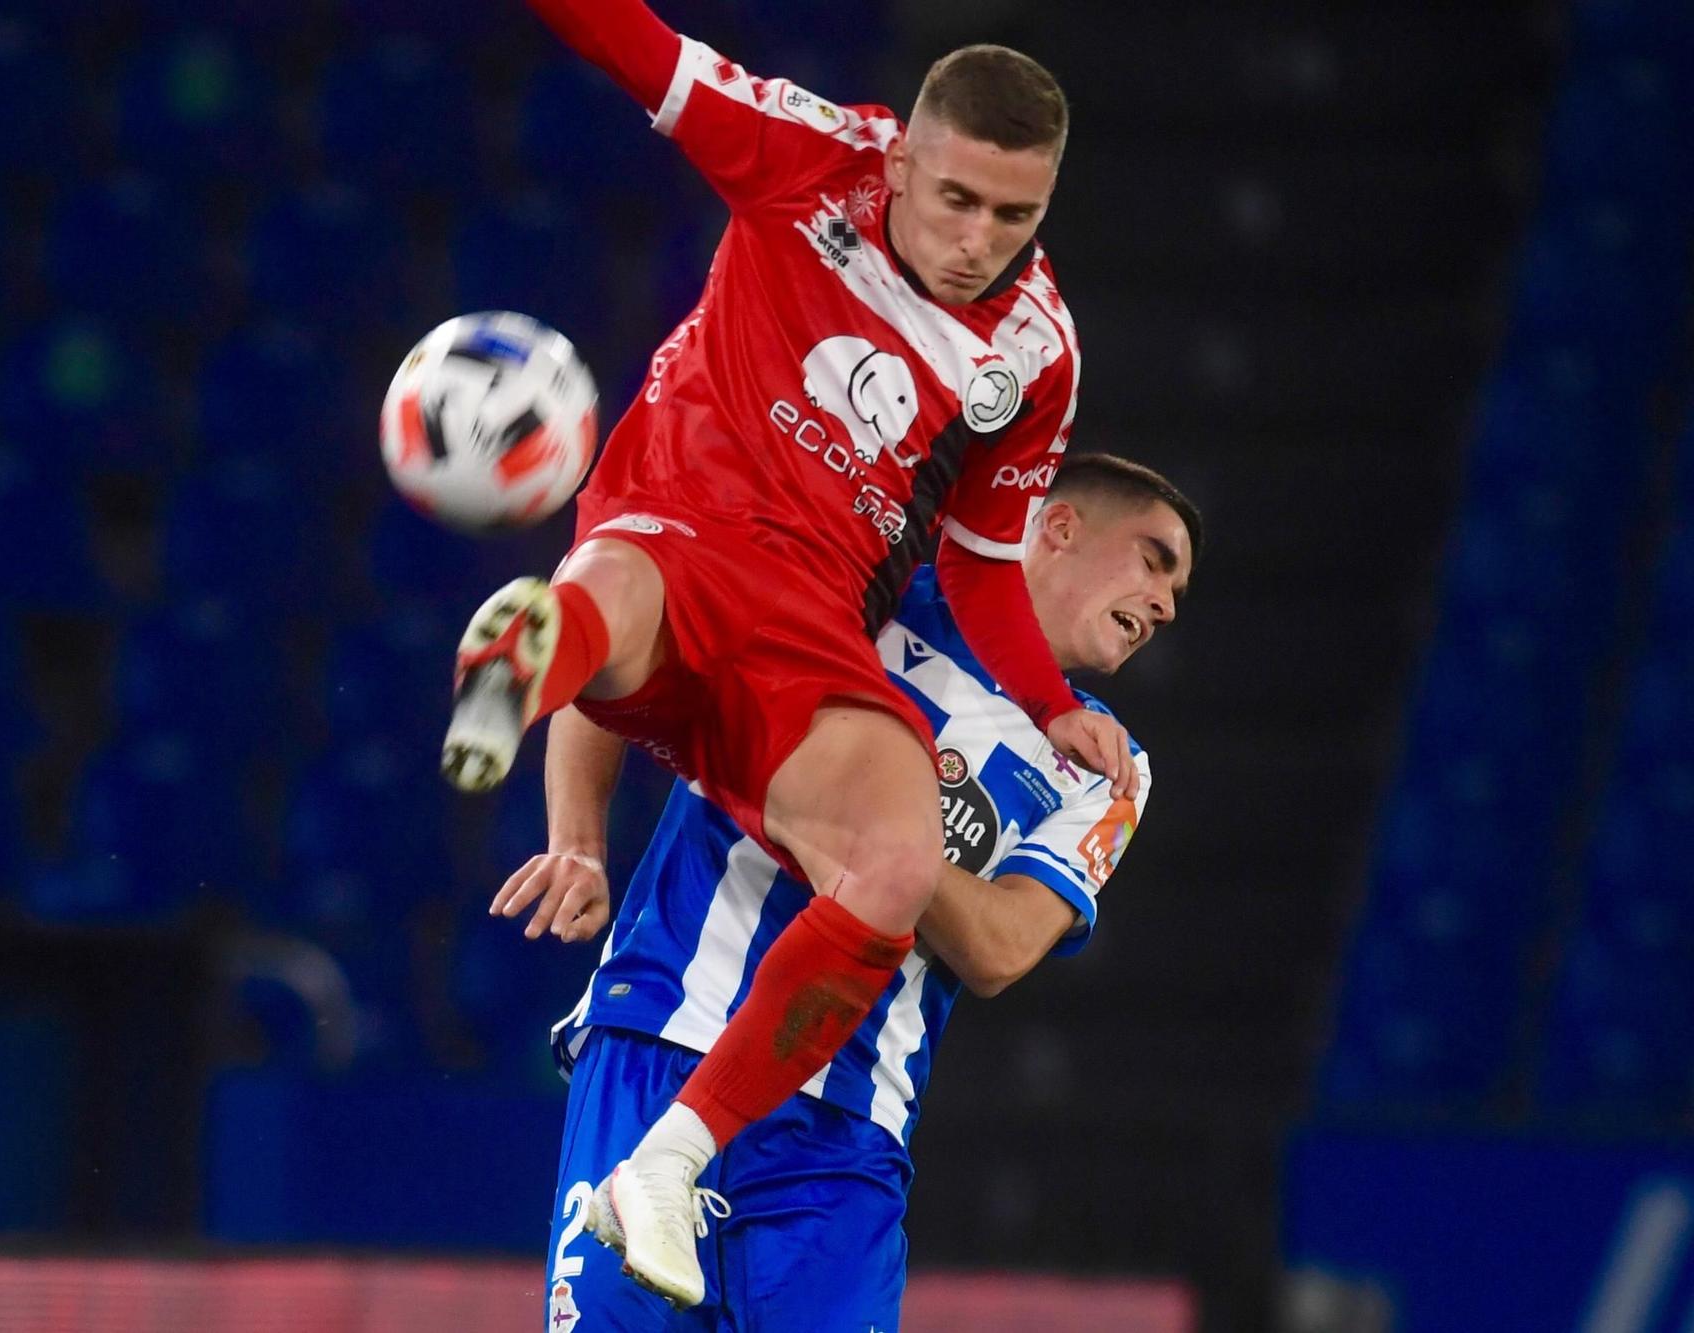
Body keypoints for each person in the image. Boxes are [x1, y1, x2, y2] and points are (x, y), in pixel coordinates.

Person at [442, 0, 1131, 1307]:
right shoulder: (807, 154)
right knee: (623, 586)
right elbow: (628, 40)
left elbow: (985, 563)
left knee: (896, 854)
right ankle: (528, 655)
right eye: (958, 199)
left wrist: (1046, 702)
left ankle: (672, 1162)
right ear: (905, 160)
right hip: (687, 519)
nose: (979, 239)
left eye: (1015, 216)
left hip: (811, 622)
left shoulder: (1035, 353)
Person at [499, 455, 1200, 1327]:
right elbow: (619, 642)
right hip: (666, 1030)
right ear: (1060, 527)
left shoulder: (1107, 767)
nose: (1168, 603)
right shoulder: (862, 589)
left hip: (846, 1134)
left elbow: (1002, 947)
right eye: (1155, 560)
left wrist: (872, 836)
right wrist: (577, 840)